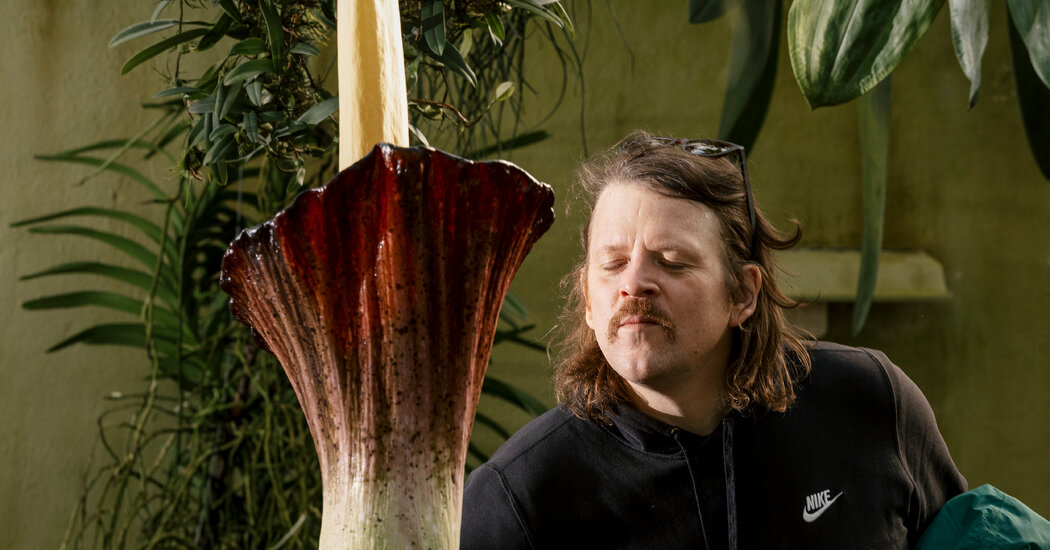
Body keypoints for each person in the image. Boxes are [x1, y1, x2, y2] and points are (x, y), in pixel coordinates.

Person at [460, 132, 967, 549]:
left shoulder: (871, 403)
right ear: (589, 302)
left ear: (742, 294)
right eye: (612, 263)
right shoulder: (516, 499)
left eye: (672, 261)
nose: (633, 282)